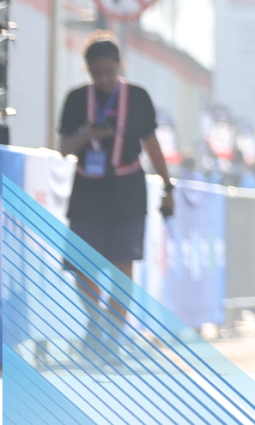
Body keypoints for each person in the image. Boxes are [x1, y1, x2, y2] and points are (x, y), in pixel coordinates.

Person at [58, 35, 175, 311]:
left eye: (109, 72)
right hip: (87, 192)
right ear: (87, 70)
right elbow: (63, 148)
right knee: (81, 266)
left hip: (127, 192)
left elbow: (152, 145)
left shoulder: (138, 97)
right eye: (96, 73)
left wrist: (168, 187)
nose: (103, 79)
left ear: (120, 65)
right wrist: (85, 134)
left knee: (123, 267)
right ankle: (96, 320)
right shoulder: (76, 98)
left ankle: (113, 332)